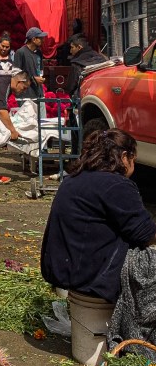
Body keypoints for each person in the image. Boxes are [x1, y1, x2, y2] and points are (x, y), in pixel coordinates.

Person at [41, 129, 156, 304]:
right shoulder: (116, 185)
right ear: (124, 156)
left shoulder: (71, 180)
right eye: (133, 159)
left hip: (63, 270)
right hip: (92, 278)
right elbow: (145, 235)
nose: (133, 165)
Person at [0, 68, 32, 143]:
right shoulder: (4, 86)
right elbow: (1, 111)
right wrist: (12, 131)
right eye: (24, 88)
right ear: (20, 82)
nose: (24, 91)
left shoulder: (6, 85)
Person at [65, 34, 107, 98]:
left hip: (84, 97)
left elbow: (71, 87)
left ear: (79, 47)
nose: (70, 51)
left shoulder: (76, 64)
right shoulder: (102, 58)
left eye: (72, 47)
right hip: (102, 95)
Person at [13, 27, 47, 102]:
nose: (43, 40)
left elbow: (40, 70)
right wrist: (33, 79)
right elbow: (16, 74)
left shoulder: (39, 53)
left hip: (39, 95)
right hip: (26, 97)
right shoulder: (20, 52)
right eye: (40, 38)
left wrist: (40, 78)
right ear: (34, 39)